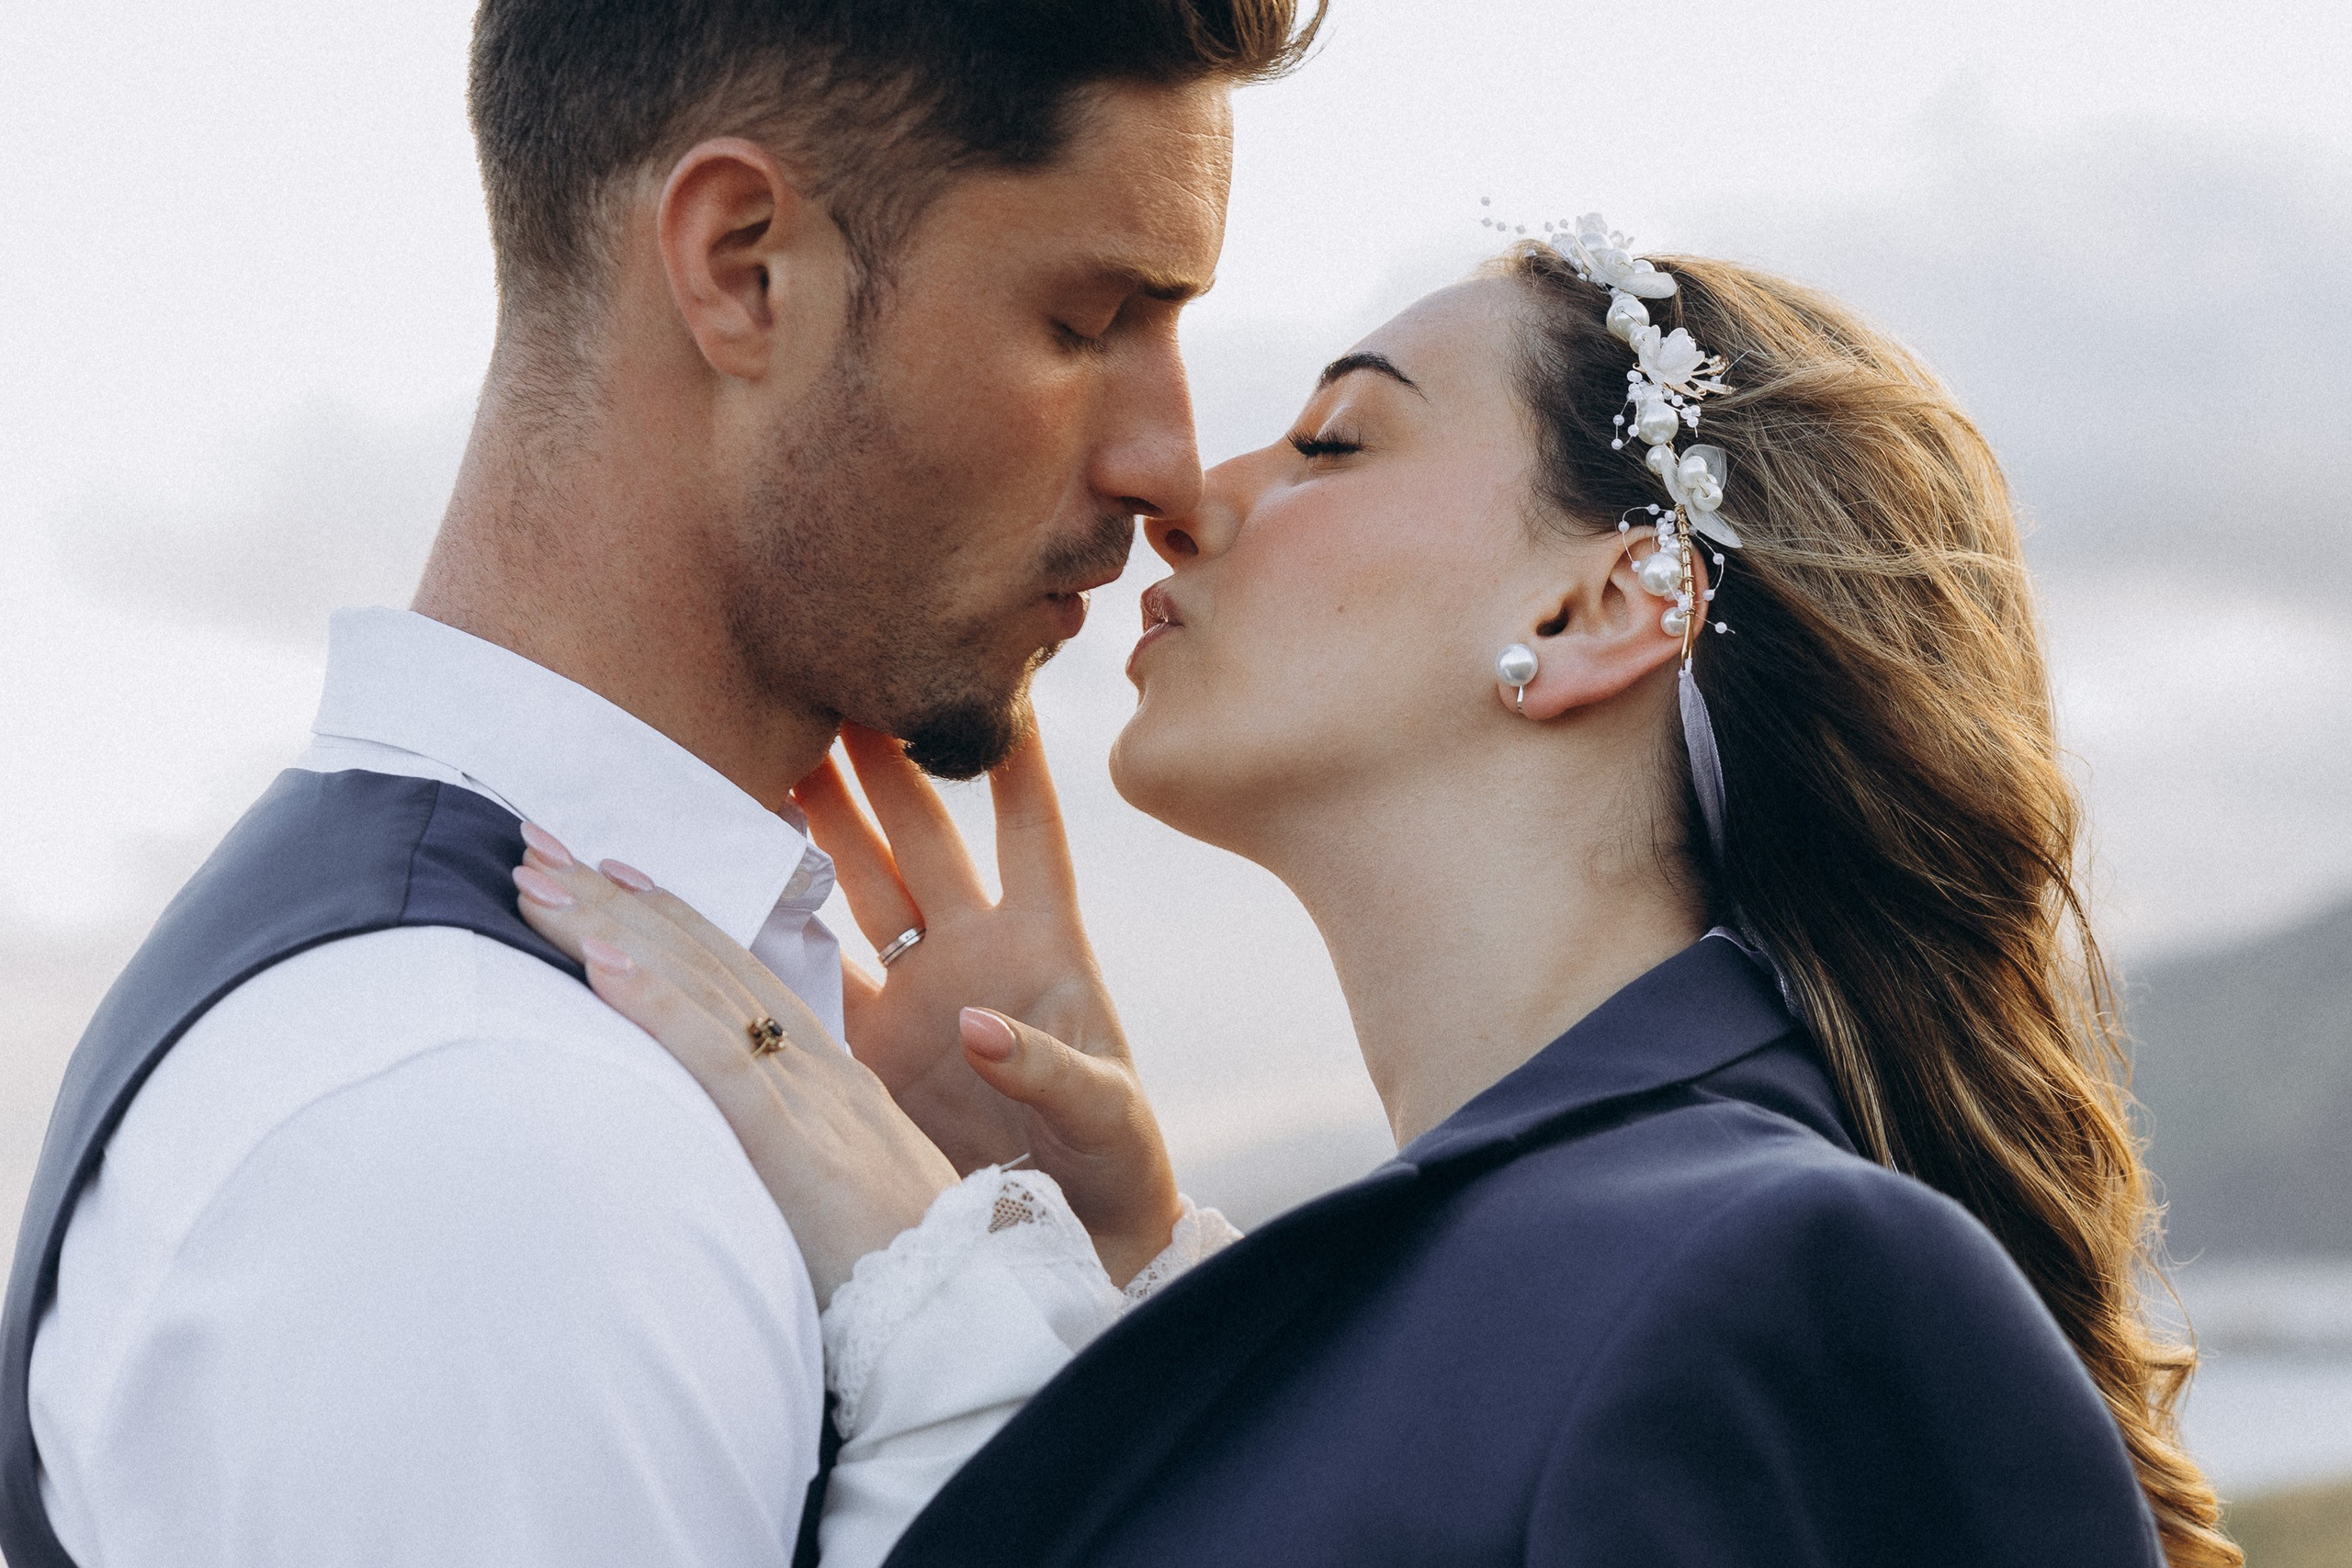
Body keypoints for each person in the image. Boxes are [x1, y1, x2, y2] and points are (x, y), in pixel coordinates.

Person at [510, 221, 2241, 1567]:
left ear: (1595, 612)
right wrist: (1128, 1308)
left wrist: (942, 1328)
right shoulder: (1588, 1268)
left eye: (1334, 442)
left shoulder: (1795, 1277)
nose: (1183, 497)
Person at [0, 5, 1325, 1566]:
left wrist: (1063, 1287)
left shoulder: (588, 1060)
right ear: (744, 265)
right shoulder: (479, 1143)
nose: (1172, 467)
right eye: (1088, 321)